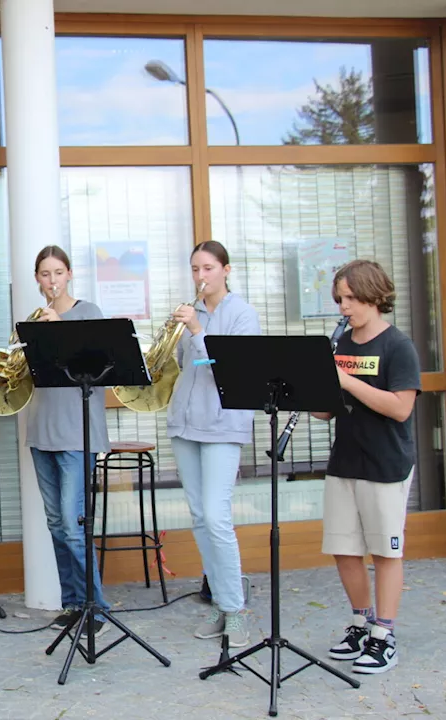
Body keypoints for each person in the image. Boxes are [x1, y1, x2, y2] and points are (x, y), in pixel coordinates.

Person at [314, 259, 419, 674]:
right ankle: (361, 622)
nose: (344, 307)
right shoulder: (341, 345)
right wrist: (306, 383)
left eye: (352, 298)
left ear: (376, 296)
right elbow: (327, 412)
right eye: (340, 299)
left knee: (385, 551)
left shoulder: (398, 346)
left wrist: (346, 380)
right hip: (346, 459)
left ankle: (384, 634)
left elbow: (400, 408)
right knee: (344, 549)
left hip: (385, 463)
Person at [166, 240, 260, 648]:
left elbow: (231, 367)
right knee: (200, 517)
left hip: (223, 425)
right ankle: (221, 603)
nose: (200, 277)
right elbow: (186, 367)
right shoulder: (193, 312)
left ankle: (237, 613)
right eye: (194, 269)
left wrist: (197, 331)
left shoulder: (242, 313)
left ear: (226, 269)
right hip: (186, 424)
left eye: (207, 268)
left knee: (218, 517)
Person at [23, 245, 112, 634]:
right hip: (42, 428)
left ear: (70, 274)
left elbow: (95, 367)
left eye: (58, 272)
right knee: (56, 524)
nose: (52, 280)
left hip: (77, 432)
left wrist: (58, 328)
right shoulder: (32, 321)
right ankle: (73, 602)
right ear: (37, 279)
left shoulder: (88, 313)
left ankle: (98, 608)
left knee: (75, 526)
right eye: (45, 274)